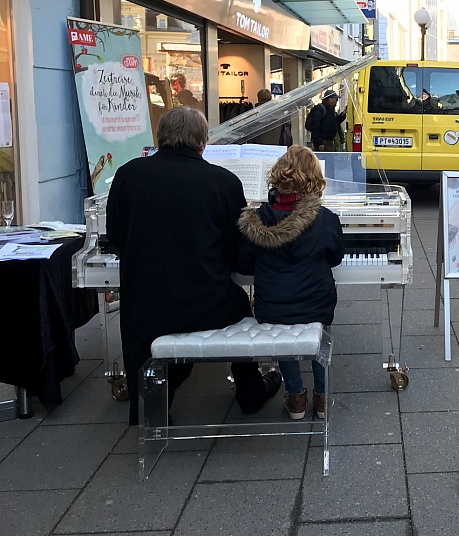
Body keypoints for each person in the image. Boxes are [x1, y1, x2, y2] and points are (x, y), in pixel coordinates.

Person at [106, 107, 282, 426]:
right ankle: (251, 392)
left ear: (160, 139)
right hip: (203, 304)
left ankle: (150, 407)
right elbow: (236, 254)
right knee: (240, 305)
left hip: (143, 307)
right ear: (203, 143)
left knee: (152, 313)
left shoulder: (127, 175)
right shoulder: (223, 181)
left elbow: (116, 237)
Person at [238, 146, 344, 420]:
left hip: (271, 308)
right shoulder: (326, 219)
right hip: (316, 304)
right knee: (320, 328)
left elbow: (244, 264)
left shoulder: (256, 220)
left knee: (281, 326)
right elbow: (335, 258)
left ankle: (296, 397)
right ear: (314, 180)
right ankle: (322, 398)